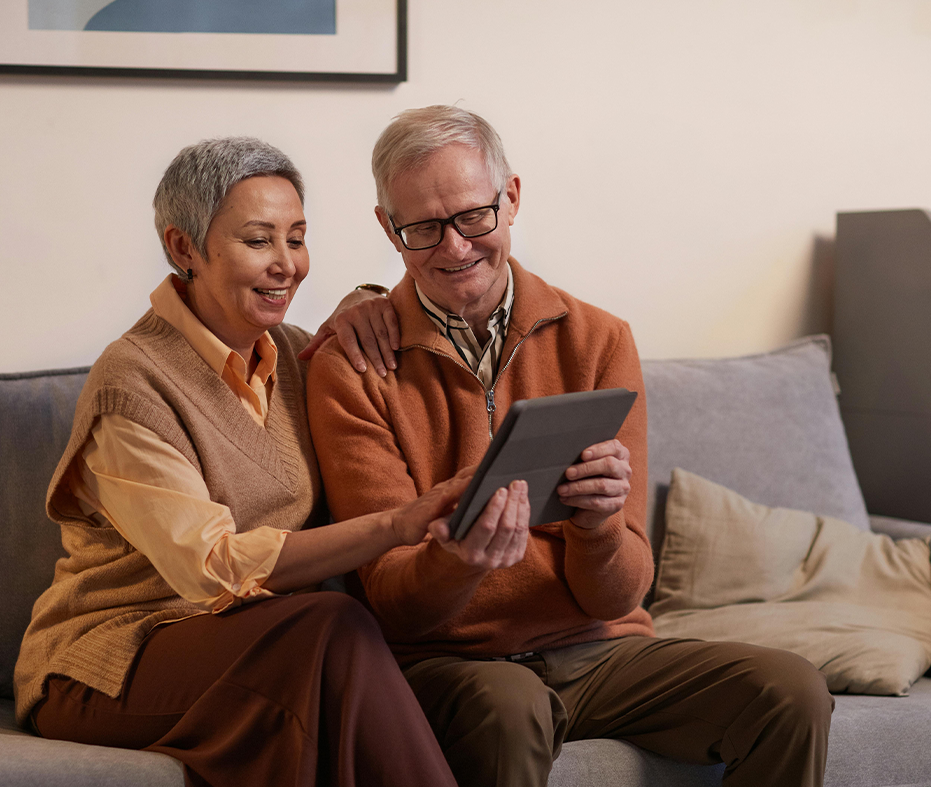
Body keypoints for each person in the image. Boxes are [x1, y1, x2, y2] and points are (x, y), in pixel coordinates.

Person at [306, 106, 835, 787]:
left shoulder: (599, 340)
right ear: (388, 228)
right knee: (509, 705)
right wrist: (456, 559)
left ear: (513, 198)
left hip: (598, 654)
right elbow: (394, 602)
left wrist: (599, 525)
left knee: (789, 689)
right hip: (449, 664)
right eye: (422, 228)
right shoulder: (353, 366)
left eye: (474, 217)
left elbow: (621, 593)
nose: (455, 248)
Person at [12, 136, 517, 787]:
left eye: (297, 238)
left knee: (322, 665)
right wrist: (396, 524)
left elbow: (393, 328)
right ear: (183, 248)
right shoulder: (132, 381)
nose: (287, 265)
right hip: (109, 661)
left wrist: (371, 300)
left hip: (275, 645)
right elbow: (214, 568)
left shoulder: (300, 358)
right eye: (258, 241)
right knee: (328, 628)